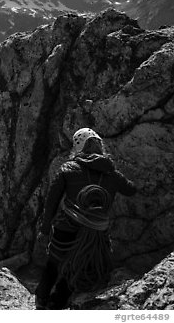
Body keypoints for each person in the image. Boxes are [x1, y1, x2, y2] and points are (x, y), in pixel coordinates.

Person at [35, 128, 136, 309]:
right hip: (96, 234)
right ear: (100, 146)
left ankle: (42, 298)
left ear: (78, 147)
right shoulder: (112, 174)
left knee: (55, 262)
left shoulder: (68, 169)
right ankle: (57, 302)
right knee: (77, 266)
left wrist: (44, 230)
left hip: (66, 227)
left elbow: (51, 202)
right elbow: (131, 190)